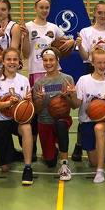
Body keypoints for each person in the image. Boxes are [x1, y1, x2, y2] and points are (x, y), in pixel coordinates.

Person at [21, 0, 74, 159]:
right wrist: (25, 37)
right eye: (41, 7)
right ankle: (34, 145)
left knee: (58, 107)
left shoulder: (54, 27)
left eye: (47, 7)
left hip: (54, 72)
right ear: (35, 8)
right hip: (35, 72)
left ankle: (57, 141)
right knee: (36, 111)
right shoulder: (28, 27)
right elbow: (25, 54)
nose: (44, 10)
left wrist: (71, 41)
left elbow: (65, 43)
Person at [69, 48, 105, 184]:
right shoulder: (83, 80)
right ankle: (98, 151)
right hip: (86, 122)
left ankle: (100, 171)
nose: (102, 65)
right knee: (93, 162)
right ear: (92, 63)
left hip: (104, 121)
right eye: (99, 63)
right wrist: (72, 95)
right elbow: (76, 105)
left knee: (98, 128)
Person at [77, 1, 105, 160]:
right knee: (87, 105)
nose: (103, 15)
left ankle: (102, 142)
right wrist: (80, 46)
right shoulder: (86, 31)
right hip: (91, 69)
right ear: (94, 13)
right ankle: (80, 142)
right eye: (100, 12)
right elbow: (85, 57)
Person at [0, 48, 34, 185]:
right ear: (3, 61)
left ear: (19, 62)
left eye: (15, 59)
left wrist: (28, 102)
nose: (12, 62)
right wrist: (9, 103)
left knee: (26, 127)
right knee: (4, 167)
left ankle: (28, 167)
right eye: (8, 59)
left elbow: (29, 107)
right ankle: (11, 152)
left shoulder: (23, 80)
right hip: (0, 120)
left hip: (16, 120)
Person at [33, 48, 75, 180]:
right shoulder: (39, 83)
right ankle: (54, 147)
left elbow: (74, 105)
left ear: (57, 60)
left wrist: (68, 96)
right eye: (45, 60)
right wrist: (39, 100)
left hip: (62, 119)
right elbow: (37, 111)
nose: (48, 63)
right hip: (45, 121)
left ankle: (64, 165)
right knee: (50, 162)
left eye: (51, 60)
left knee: (61, 125)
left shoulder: (67, 79)